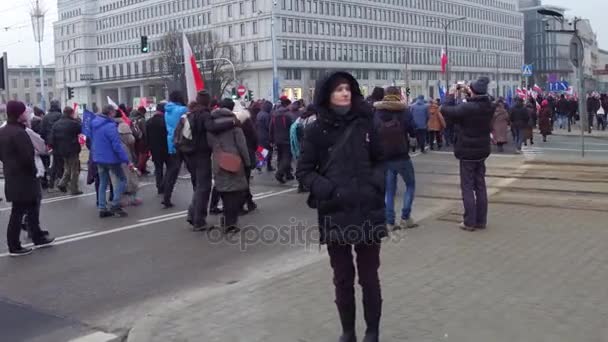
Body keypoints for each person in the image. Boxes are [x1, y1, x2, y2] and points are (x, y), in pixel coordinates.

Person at [297, 71, 387, 342]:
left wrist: (375, 185)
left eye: (347, 88)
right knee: (343, 278)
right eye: (338, 89)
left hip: (367, 209)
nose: (344, 93)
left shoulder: (367, 123)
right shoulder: (315, 129)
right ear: (327, 95)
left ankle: (372, 331)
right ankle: (348, 331)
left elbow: (381, 160)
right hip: (335, 211)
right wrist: (328, 190)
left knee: (369, 278)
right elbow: (303, 172)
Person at [0, 101, 55, 256]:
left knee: (30, 209)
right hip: (24, 178)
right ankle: (14, 246)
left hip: (13, 176)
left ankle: (37, 236)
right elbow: (27, 157)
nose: (26, 114)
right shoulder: (19, 133)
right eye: (24, 112)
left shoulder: (4, 131)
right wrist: (32, 171)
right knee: (18, 212)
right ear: (18, 115)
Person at [441, 77, 494, 231]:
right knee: (480, 186)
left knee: (467, 186)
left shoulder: (468, 108)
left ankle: (469, 221)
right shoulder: (488, 105)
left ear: (473, 91)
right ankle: (481, 221)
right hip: (482, 150)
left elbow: (445, 109)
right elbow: (481, 98)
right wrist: (470, 91)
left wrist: (451, 94)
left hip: (467, 152)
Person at [188, 94, 239, 230]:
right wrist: (232, 122)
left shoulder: (192, 113)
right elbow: (211, 127)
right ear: (207, 101)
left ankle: (192, 215)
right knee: (204, 188)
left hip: (190, 153)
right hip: (202, 153)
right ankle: (199, 221)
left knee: (199, 186)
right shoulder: (204, 114)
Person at [374, 86, 418, 231]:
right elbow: (413, 130)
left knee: (389, 190)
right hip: (402, 155)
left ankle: (389, 222)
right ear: (399, 95)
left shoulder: (377, 112)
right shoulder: (404, 111)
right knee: (410, 185)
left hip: (385, 156)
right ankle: (405, 218)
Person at [207, 104, 251, 234]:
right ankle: (230, 223)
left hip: (218, 162)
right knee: (236, 193)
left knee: (224, 192)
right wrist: (247, 162)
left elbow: (210, 145)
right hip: (234, 162)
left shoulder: (211, 128)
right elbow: (242, 146)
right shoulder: (235, 127)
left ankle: (226, 220)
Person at [91, 105, 130, 218]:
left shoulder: (94, 124)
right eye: (114, 112)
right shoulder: (110, 126)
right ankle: (115, 204)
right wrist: (126, 159)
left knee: (103, 182)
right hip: (111, 158)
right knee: (122, 179)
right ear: (110, 113)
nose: (115, 114)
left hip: (98, 157)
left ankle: (102, 207)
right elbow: (116, 145)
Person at [162, 91, 194, 208]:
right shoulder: (182, 110)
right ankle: (198, 195)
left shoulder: (167, 111)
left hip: (171, 142)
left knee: (172, 171)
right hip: (183, 141)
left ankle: (166, 197)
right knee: (193, 169)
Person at [49, 106, 83, 195]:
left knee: (67, 168)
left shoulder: (56, 124)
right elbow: (81, 130)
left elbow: (52, 139)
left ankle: (62, 183)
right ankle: (74, 189)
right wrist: (77, 120)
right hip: (72, 149)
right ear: (71, 113)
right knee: (74, 170)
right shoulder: (73, 124)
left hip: (61, 150)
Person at [235, 102, 259, 213]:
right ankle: (242, 204)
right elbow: (254, 138)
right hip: (246, 153)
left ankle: (249, 202)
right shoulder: (247, 122)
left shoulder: (231, 122)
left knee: (239, 180)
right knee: (245, 180)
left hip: (233, 154)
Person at [115, 109, 142, 206]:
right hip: (125, 153)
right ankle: (133, 199)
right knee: (130, 175)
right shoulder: (123, 125)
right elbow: (131, 140)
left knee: (116, 177)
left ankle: (119, 199)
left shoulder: (108, 125)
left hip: (112, 155)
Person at [290, 104, 317, 193]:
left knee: (301, 165)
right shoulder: (313, 118)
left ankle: (301, 185)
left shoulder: (300, 118)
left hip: (300, 144)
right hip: (309, 145)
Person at [146, 102, 169, 195]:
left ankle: (159, 186)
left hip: (154, 149)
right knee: (170, 168)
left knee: (158, 168)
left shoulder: (149, 122)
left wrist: (149, 148)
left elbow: (147, 137)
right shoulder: (165, 121)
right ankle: (165, 184)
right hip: (165, 147)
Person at [40, 100, 64, 189]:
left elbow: (42, 131)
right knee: (60, 161)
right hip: (60, 141)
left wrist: (46, 142)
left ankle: (52, 181)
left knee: (54, 161)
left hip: (50, 143)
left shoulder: (45, 117)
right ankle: (61, 181)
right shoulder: (60, 116)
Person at [269, 102, 294, 184]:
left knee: (280, 157)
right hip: (286, 139)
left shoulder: (274, 116)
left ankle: (285, 174)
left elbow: (271, 128)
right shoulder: (288, 116)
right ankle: (280, 173)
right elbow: (292, 128)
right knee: (287, 157)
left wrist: (271, 140)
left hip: (277, 140)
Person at [256, 100, 274, 172]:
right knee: (269, 151)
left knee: (261, 150)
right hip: (266, 135)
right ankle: (269, 166)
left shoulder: (259, 114)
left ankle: (259, 164)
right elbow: (269, 127)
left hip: (259, 134)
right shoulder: (267, 115)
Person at [132, 106, 149, 175]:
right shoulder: (142, 120)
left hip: (135, 140)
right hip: (142, 140)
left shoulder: (133, 119)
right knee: (143, 156)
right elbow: (145, 131)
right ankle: (139, 169)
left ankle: (141, 169)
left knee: (138, 155)